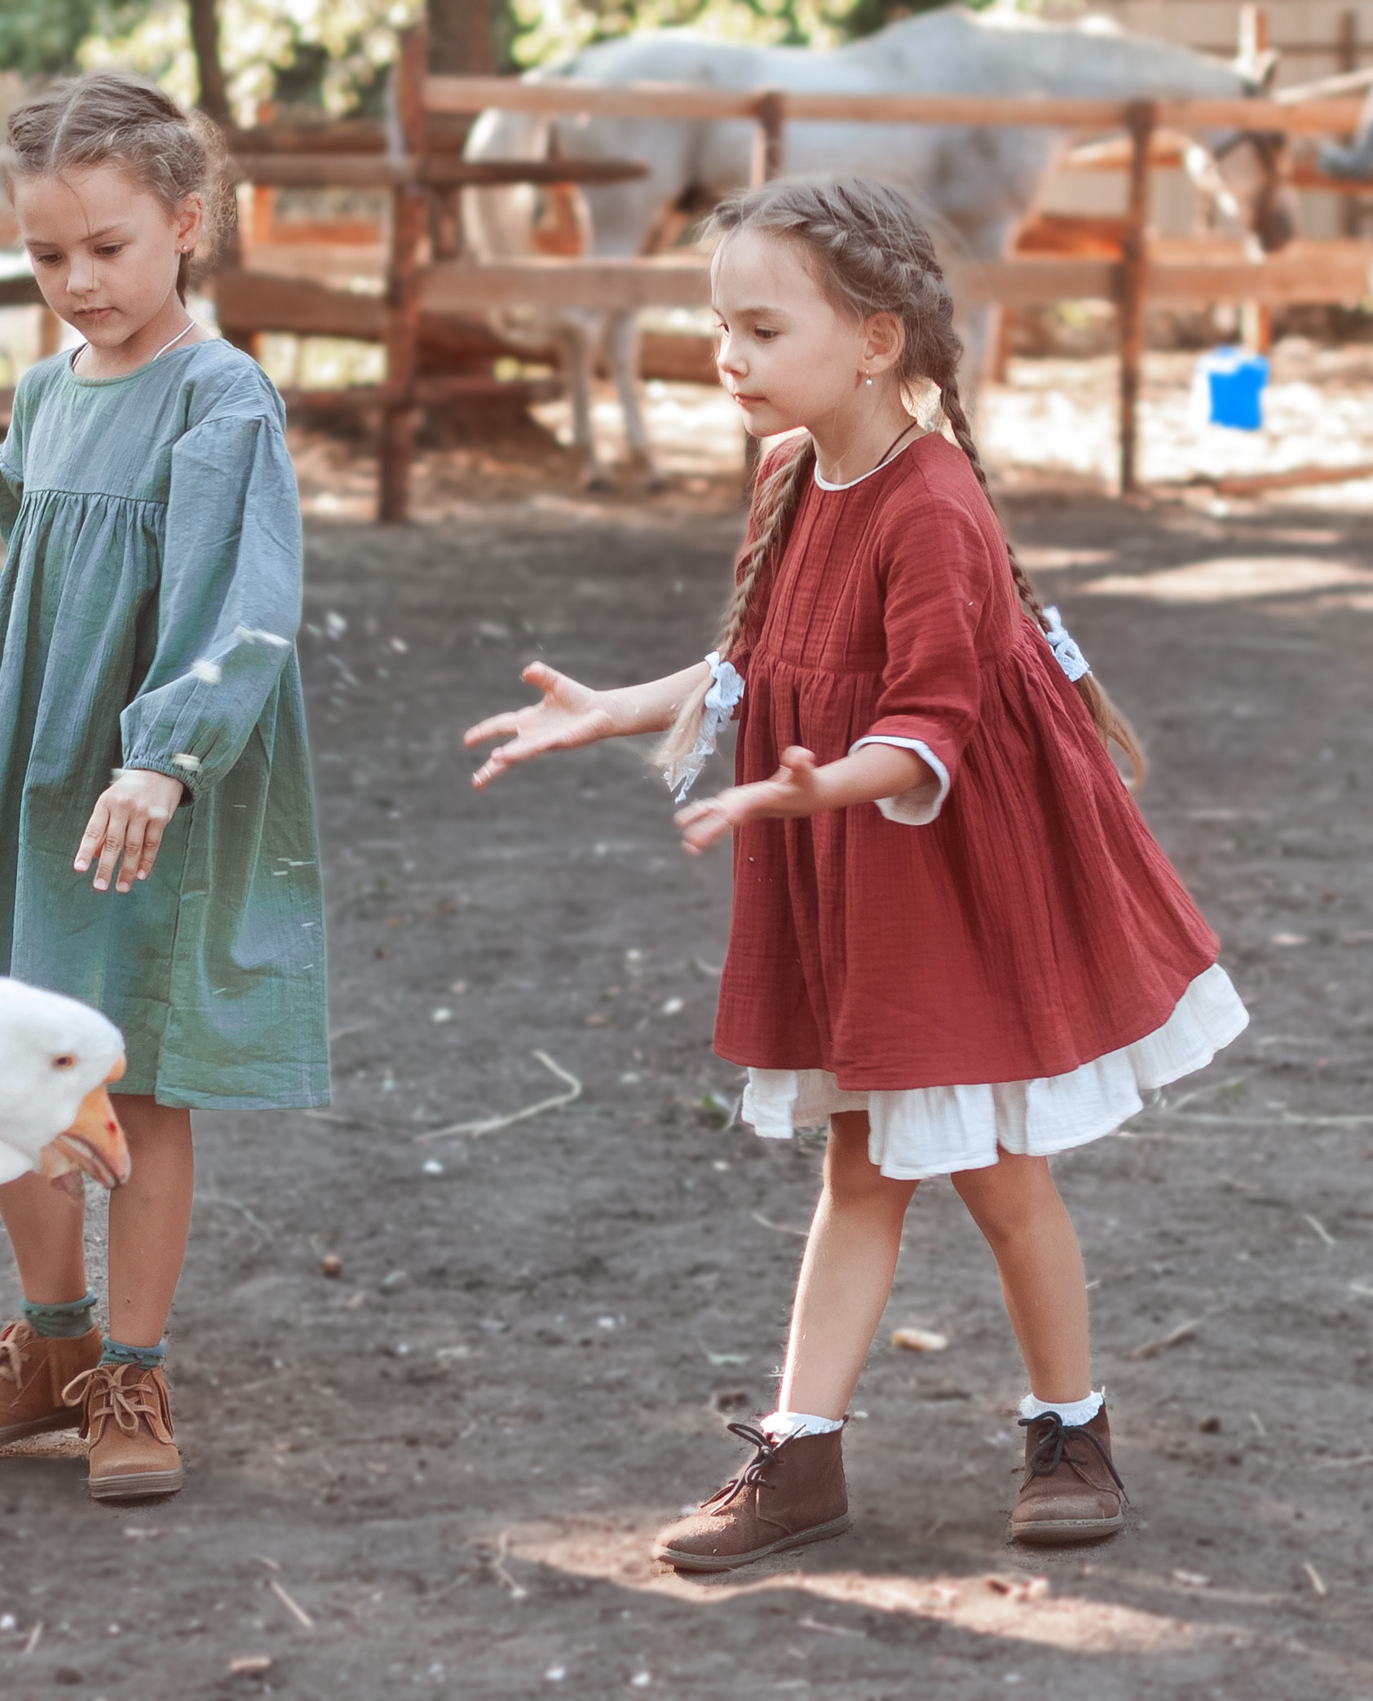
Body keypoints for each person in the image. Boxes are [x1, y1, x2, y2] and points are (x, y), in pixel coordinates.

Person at [464, 178, 1244, 1570]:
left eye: (764, 330)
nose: (730, 357)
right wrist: (613, 709)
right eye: (722, 327)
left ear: (877, 339)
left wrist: (824, 783)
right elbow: (756, 658)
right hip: (857, 881)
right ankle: (803, 1451)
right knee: (863, 1164)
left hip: (949, 885)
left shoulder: (931, 506)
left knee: (1000, 1173)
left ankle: (1070, 1426)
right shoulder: (787, 477)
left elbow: (930, 722)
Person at [0, 72, 329, 1501]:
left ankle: (131, 1371)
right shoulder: (44, 391)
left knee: (131, 1077)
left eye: (107, 247)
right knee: (6, 1057)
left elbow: (239, 608)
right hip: (33, 776)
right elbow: (34, 555)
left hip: (143, 787)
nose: (78, 282)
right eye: (46, 254)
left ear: (186, 224)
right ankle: (50, 1341)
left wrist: (164, 758)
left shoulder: (219, 396)